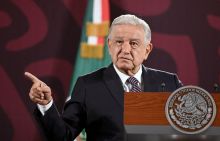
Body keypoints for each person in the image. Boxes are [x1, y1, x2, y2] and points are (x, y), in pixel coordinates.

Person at [25, 14, 183, 141]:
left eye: (134, 43)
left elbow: (189, 129)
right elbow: (63, 136)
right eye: (119, 42)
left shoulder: (170, 83)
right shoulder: (88, 85)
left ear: (147, 50)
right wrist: (46, 105)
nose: (125, 50)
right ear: (109, 45)